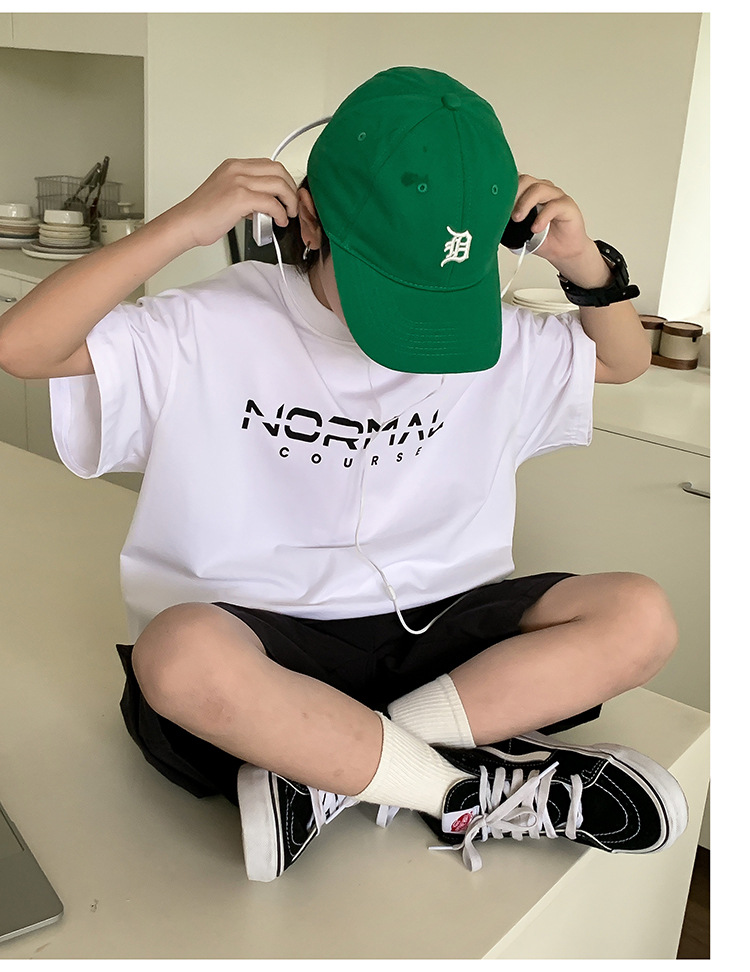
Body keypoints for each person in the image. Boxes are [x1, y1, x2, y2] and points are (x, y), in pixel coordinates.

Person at [0, 66, 687, 882]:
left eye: (438, 297)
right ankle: (455, 789)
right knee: (176, 658)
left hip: (439, 629)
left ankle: (336, 766)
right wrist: (179, 227)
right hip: (262, 642)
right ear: (308, 216)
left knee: (640, 617)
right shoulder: (210, 325)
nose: (415, 331)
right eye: (389, 288)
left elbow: (623, 360)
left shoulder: (497, 334)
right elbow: (22, 347)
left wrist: (587, 264)